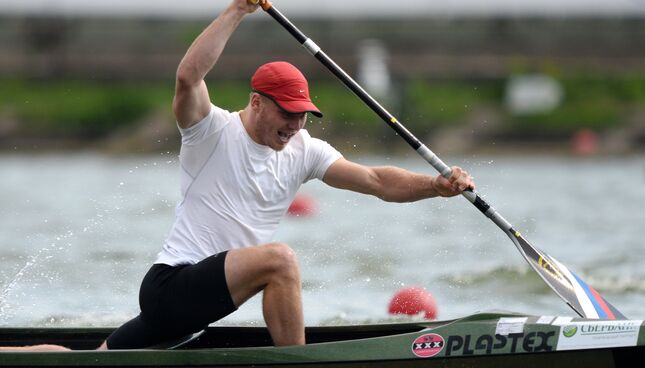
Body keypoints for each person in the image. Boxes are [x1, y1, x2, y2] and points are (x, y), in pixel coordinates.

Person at [1, 0, 474, 352]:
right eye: (286, 114)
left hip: (199, 308)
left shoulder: (304, 150)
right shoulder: (211, 131)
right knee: (280, 260)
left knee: (92, 361)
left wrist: (435, 186)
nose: (294, 126)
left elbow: (375, 180)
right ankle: (299, 365)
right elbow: (188, 79)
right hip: (171, 287)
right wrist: (237, 9)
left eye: (303, 116)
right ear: (256, 102)